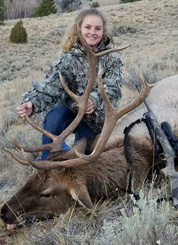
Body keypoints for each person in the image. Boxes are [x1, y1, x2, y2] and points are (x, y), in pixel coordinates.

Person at [16, 8, 123, 160]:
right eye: (88, 27)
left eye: (97, 28)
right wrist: (32, 103)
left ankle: (68, 153)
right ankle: (46, 165)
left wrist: (94, 100)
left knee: (79, 157)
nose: (92, 32)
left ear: (103, 31)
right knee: (53, 118)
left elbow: (114, 88)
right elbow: (53, 86)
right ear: (79, 28)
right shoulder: (69, 57)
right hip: (70, 109)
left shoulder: (112, 58)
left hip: (95, 118)